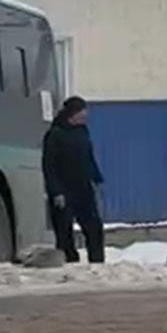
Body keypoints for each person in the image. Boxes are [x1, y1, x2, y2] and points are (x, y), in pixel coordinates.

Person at [41, 96, 106, 264]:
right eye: (82, 111)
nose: (85, 115)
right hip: (63, 190)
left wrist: (96, 177)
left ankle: (97, 262)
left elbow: (88, 158)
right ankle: (70, 262)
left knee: (94, 228)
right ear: (72, 114)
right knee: (64, 231)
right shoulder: (55, 134)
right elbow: (49, 166)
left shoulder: (82, 132)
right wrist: (56, 191)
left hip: (83, 188)